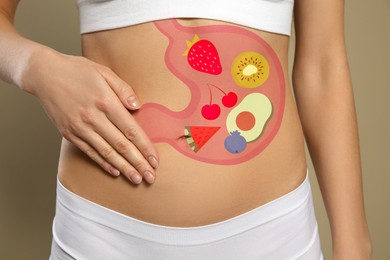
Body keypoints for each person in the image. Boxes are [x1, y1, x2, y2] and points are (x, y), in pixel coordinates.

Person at [0, 0, 372, 259]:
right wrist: (34, 66)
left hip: (272, 234)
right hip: (103, 235)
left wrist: (355, 247)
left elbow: (322, 66)